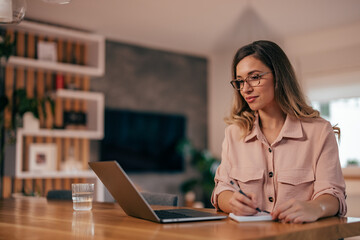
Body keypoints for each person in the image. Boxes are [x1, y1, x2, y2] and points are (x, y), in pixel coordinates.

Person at [211, 40, 347, 223]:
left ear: (279, 76)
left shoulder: (320, 131)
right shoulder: (234, 134)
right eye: (240, 81)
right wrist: (231, 201)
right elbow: (222, 189)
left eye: (255, 77)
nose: (246, 88)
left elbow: (334, 195)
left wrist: (315, 207)